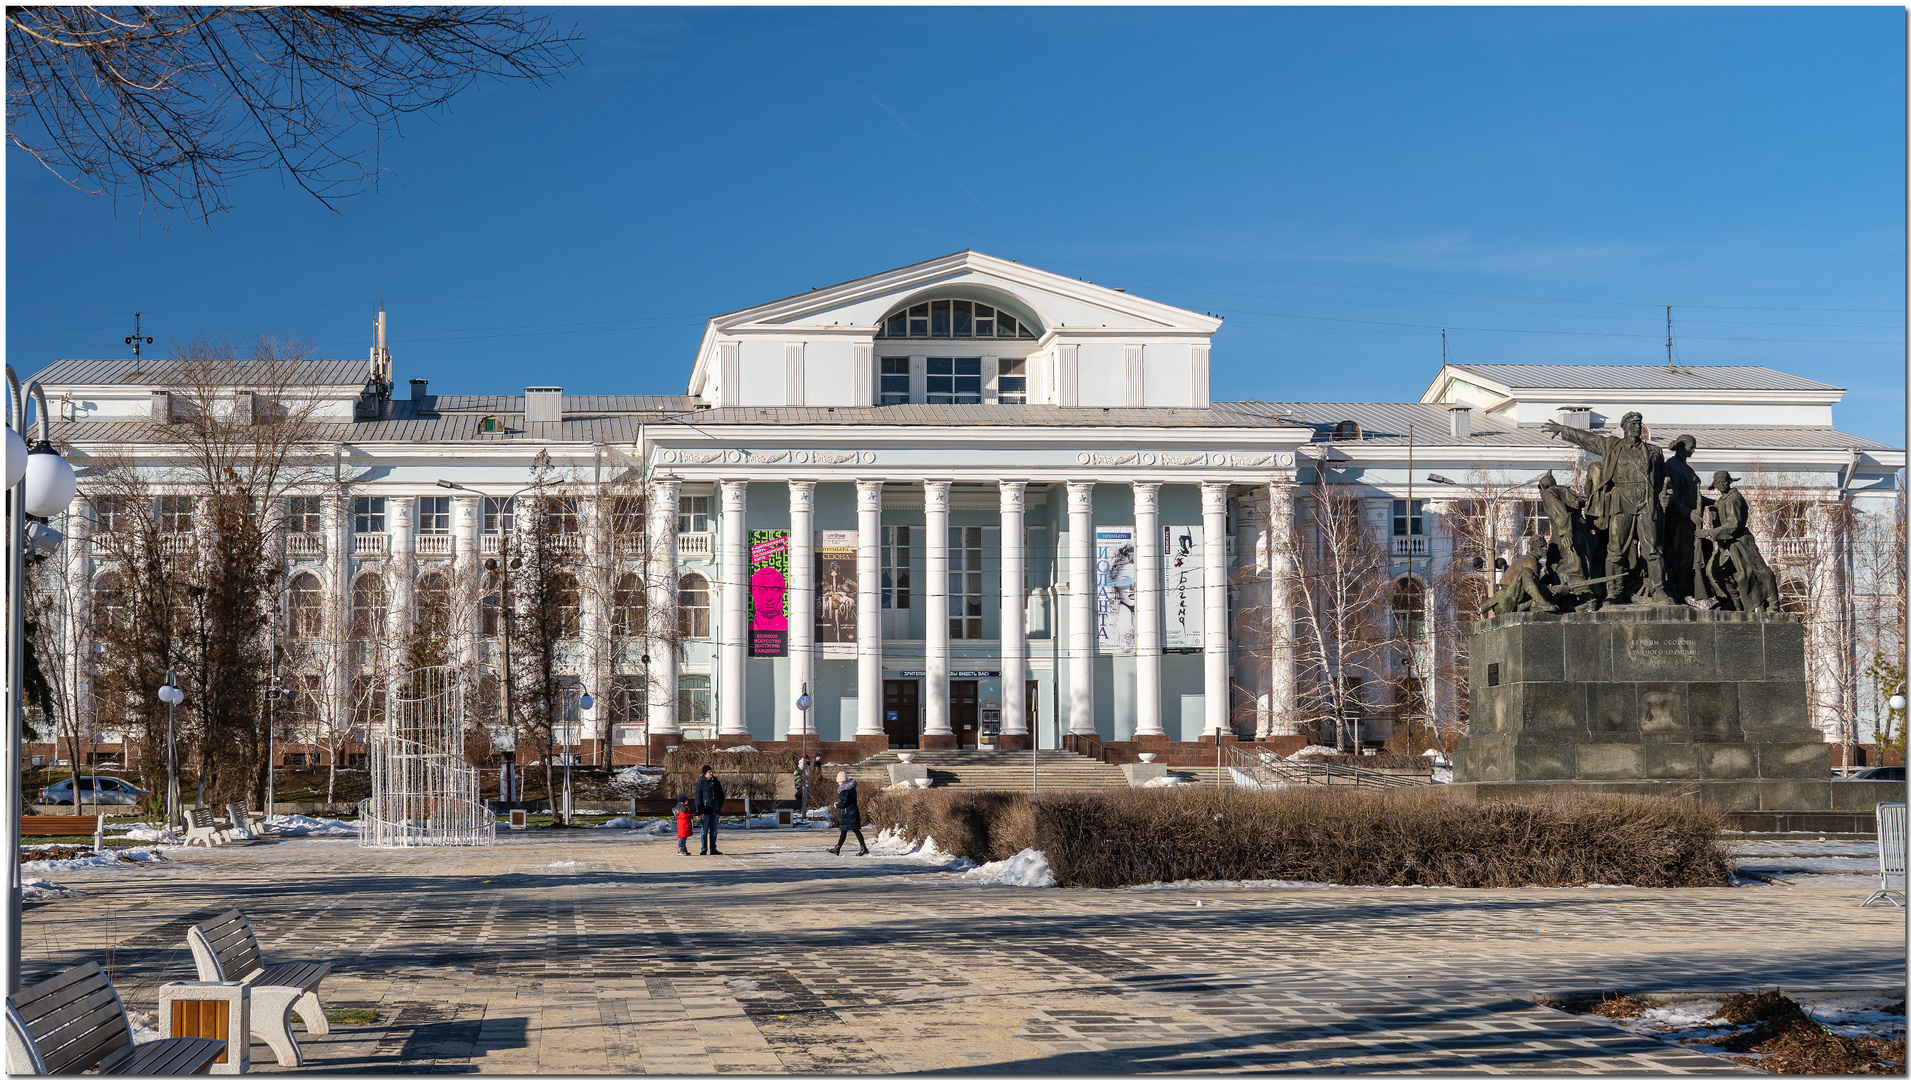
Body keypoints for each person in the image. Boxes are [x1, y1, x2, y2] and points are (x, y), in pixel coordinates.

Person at [1540, 410, 1673, 604]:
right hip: (1621, 504)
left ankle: (1659, 590)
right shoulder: (1613, 446)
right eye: (1633, 424)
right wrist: (1563, 429)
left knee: (1653, 549)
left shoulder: (1654, 452)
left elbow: (1662, 481)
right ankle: (1614, 591)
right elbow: (1588, 439)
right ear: (1625, 427)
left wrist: (1664, 496)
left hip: (1647, 504)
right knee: (1615, 550)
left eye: (1639, 423)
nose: (1637, 427)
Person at [828, 770, 867, 856]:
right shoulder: (851, 788)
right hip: (852, 811)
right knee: (847, 830)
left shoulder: (844, 790)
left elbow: (844, 802)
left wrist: (837, 805)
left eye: (838, 782)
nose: (838, 784)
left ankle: (863, 848)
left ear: (841, 781)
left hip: (849, 812)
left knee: (852, 830)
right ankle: (838, 848)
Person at [692, 765, 724, 855]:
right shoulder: (700, 783)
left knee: (714, 831)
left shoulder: (716, 782)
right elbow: (698, 798)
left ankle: (713, 849)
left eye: (711, 771)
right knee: (704, 831)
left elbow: (721, 795)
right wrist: (700, 811)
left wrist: (719, 805)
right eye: (709, 772)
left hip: (715, 810)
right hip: (706, 810)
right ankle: (704, 848)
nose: (711, 773)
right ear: (705, 773)